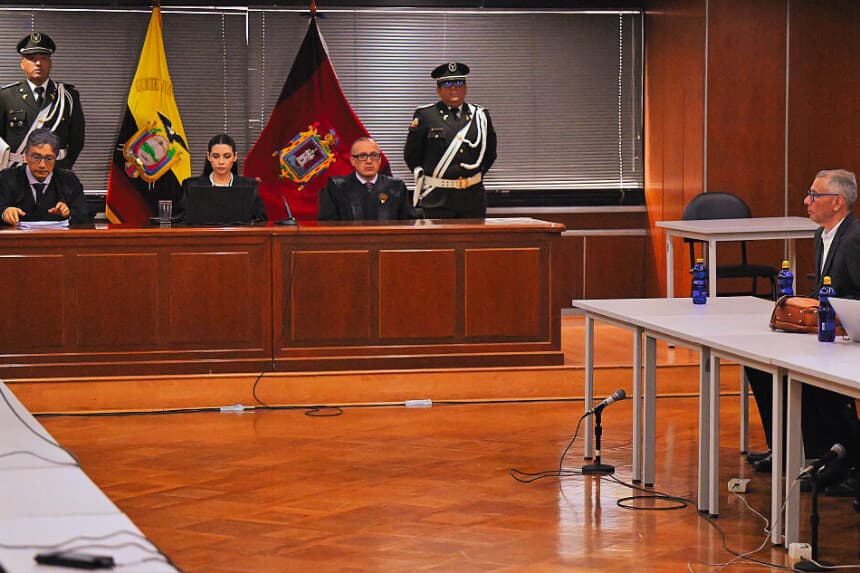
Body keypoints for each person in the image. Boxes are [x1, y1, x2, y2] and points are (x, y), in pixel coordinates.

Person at [746, 169, 860, 495]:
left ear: (837, 202)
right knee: (761, 365)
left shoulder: (853, 239)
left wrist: (825, 309)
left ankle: (836, 456)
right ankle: (788, 448)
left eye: (814, 195)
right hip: (827, 332)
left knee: (805, 377)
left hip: (846, 338)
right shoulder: (822, 235)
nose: (806, 201)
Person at [404, 61, 497, 219]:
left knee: (472, 243)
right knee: (439, 244)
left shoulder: (481, 116)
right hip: (438, 198)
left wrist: (471, 176)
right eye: (447, 83)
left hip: (472, 197)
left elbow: (490, 154)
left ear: (466, 88)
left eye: (459, 83)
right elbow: (412, 156)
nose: (454, 88)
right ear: (438, 90)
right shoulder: (426, 116)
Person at [0, 32, 85, 170]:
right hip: (17, 171)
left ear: (50, 63)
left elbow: (77, 139)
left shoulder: (67, 96)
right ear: (22, 64)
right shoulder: (6, 95)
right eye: (32, 58)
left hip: (55, 171)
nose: (38, 63)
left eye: (43, 58)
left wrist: (64, 167)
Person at [0, 128, 88, 225]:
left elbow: (84, 215)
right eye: (36, 157)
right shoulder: (6, 178)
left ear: (56, 158)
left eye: (49, 158)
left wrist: (68, 213)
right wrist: (4, 213)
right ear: (26, 156)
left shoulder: (69, 180)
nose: (42, 165)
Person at [319, 137, 413, 221]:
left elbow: (409, 225)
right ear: (352, 161)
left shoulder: (396, 188)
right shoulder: (336, 188)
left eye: (374, 156)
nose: (369, 161)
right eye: (362, 156)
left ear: (380, 160)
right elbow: (327, 227)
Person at [180, 133, 267, 222]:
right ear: (209, 157)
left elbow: (260, 222)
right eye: (216, 156)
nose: (221, 162)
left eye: (227, 156)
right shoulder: (190, 186)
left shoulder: (249, 186)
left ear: (235, 157)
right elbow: (180, 221)